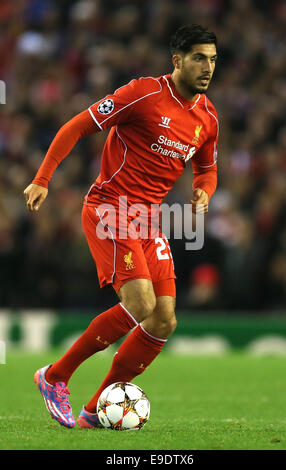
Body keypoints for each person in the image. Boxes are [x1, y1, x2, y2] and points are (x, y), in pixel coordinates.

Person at [23, 24, 219, 428]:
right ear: (177, 60)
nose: (208, 67)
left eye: (213, 59)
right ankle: (55, 376)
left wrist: (203, 191)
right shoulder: (143, 93)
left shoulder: (207, 116)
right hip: (110, 208)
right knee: (141, 303)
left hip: (150, 220)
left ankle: (95, 411)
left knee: (164, 319)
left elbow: (207, 169)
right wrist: (43, 178)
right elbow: (76, 125)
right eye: (200, 58)